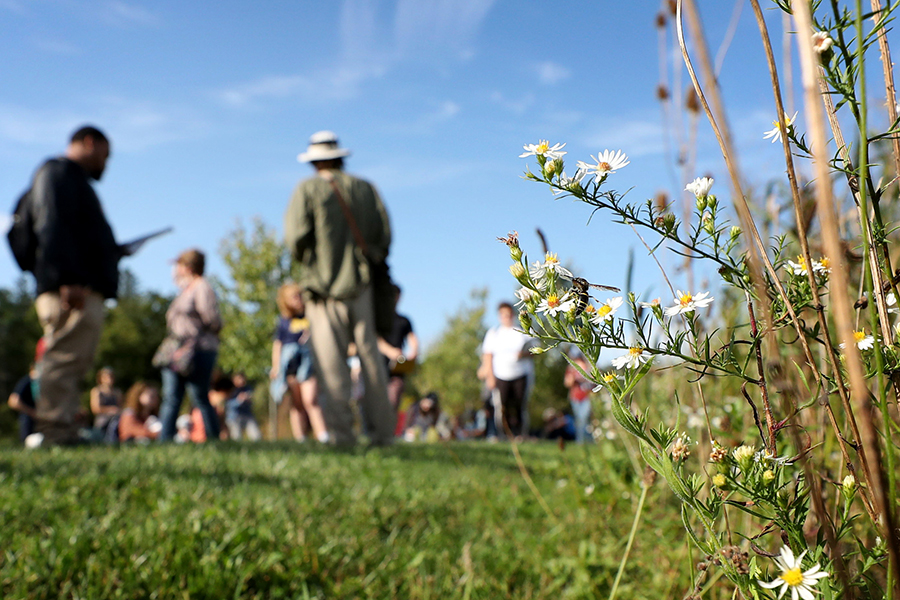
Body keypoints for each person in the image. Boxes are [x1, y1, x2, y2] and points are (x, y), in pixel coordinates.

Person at [284, 130, 395, 447]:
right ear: (340, 157)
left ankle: (342, 436)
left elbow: (295, 238)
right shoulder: (365, 188)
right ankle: (383, 435)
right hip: (363, 286)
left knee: (332, 365)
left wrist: (315, 260)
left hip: (323, 288)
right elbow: (385, 237)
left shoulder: (307, 189)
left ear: (314, 161)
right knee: (371, 361)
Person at [17, 126, 121, 445]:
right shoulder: (58, 173)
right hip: (71, 287)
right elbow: (52, 224)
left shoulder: (69, 179)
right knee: (62, 357)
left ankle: (62, 429)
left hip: (76, 283)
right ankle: (54, 432)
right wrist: (68, 278)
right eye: (105, 155)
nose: (106, 163)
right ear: (89, 143)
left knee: (72, 359)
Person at [157, 249, 222, 442]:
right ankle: (165, 439)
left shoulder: (202, 287)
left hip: (198, 349)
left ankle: (213, 439)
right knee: (171, 396)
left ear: (187, 267)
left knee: (199, 396)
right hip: (176, 349)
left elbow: (212, 319)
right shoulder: (184, 290)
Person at [270, 283, 327, 442]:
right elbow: (278, 345)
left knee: (311, 400)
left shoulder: (311, 315)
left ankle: (323, 436)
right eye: (294, 297)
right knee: (297, 403)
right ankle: (300, 439)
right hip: (290, 365)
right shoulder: (283, 321)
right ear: (285, 301)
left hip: (309, 364)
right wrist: (276, 367)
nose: (298, 299)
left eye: (299, 295)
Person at [480, 302, 536, 439]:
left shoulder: (522, 331)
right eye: (503, 314)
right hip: (500, 375)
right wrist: (490, 376)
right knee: (501, 406)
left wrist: (522, 354)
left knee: (519, 406)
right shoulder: (493, 333)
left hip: (520, 374)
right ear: (499, 316)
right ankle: (502, 433)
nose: (507, 317)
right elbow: (487, 356)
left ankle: (519, 434)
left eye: (509, 314)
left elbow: (535, 351)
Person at [378, 284, 419, 412]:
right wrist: (389, 351)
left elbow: (413, 340)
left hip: (397, 368)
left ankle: (389, 429)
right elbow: (374, 338)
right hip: (379, 365)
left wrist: (414, 352)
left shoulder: (404, 321)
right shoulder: (378, 318)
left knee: (393, 400)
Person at [564, 351, 594, 444]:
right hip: (576, 397)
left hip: (587, 396)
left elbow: (595, 380)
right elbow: (567, 383)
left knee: (585, 417)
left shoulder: (589, 368)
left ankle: (586, 440)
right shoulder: (571, 369)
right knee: (579, 419)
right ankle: (580, 440)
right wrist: (574, 379)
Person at [225, 372, 262, 441]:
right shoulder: (230, 390)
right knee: (237, 437)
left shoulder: (248, 388)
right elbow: (227, 404)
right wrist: (238, 401)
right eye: (239, 379)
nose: (241, 381)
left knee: (257, 436)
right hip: (234, 417)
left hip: (247, 415)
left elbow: (252, 401)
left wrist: (248, 399)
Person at [8, 364, 38, 444]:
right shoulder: (26, 381)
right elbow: (13, 401)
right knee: (27, 441)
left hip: (41, 415)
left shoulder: (44, 382)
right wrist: (31, 412)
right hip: (28, 417)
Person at [90, 367, 122, 435]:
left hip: (116, 418)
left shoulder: (117, 392)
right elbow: (95, 409)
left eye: (111, 377)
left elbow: (121, 406)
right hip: (103, 420)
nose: (109, 379)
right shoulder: (96, 391)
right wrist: (110, 410)